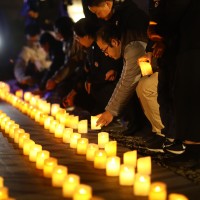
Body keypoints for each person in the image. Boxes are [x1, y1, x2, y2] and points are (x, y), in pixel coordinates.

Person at [63, 18, 123, 115]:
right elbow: (86, 71)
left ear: (86, 36)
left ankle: (113, 116)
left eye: (78, 38)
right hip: (99, 84)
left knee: (93, 89)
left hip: (111, 85)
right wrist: (74, 91)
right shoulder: (91, 49)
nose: (77, 41)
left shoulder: (101, 45)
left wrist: (93, 81)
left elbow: (107, 70)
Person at [95, 22, 146, 135]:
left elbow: (127, 82)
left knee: (144, 86)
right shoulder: (127, 48)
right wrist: (109, 110)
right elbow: (123, 80)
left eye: (105, 50)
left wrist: (110, 112)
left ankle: (163, 134)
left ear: (114, 42)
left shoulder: (133, 49)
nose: (106, 55)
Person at [12, 24, 51, 93]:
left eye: (36, 41)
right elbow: (19, 65)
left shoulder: (50, 39)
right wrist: (22, 78)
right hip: (40, 78)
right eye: (31, 41)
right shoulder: (27, 50)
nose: (33, 43)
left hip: (54, 74)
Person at [38, 32, 65, 99]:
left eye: (43, 47)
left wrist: (43, 84)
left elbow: (54, 67)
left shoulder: (57, 49)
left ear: (47, 44)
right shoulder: (55, 48)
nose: (43, 49)